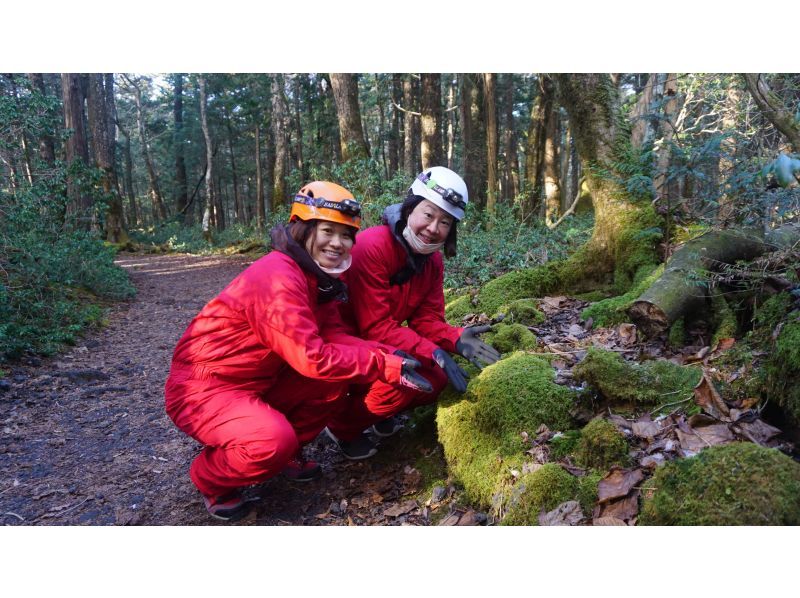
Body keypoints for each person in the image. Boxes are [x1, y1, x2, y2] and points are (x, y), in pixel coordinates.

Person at [164, 181, 431, 521]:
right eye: (327, 231)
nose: (338, 243)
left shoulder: (316, 277)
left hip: (261, 379)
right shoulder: (279, 276)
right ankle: (210, 477)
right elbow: (313, 357)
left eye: (347, 235)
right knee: (270, 441)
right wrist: (385, 363)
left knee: (333, 386)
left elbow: (334, 334)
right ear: (303, 228)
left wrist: (392, 353)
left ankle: (287, 450)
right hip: (204, 388)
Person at [325, 167, 500, 459]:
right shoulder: (373, 246)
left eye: (445, 222)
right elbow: (375, 326)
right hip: (341, 346)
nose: (434, 228)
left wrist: (455, 339)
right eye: (428, 215)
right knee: (403, 379)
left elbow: (426, 321)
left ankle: (373, 413)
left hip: (377, 342)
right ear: (410, 208)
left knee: (436, 379)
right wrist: (432, 351)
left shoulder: (432, 263)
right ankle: (341, 426)